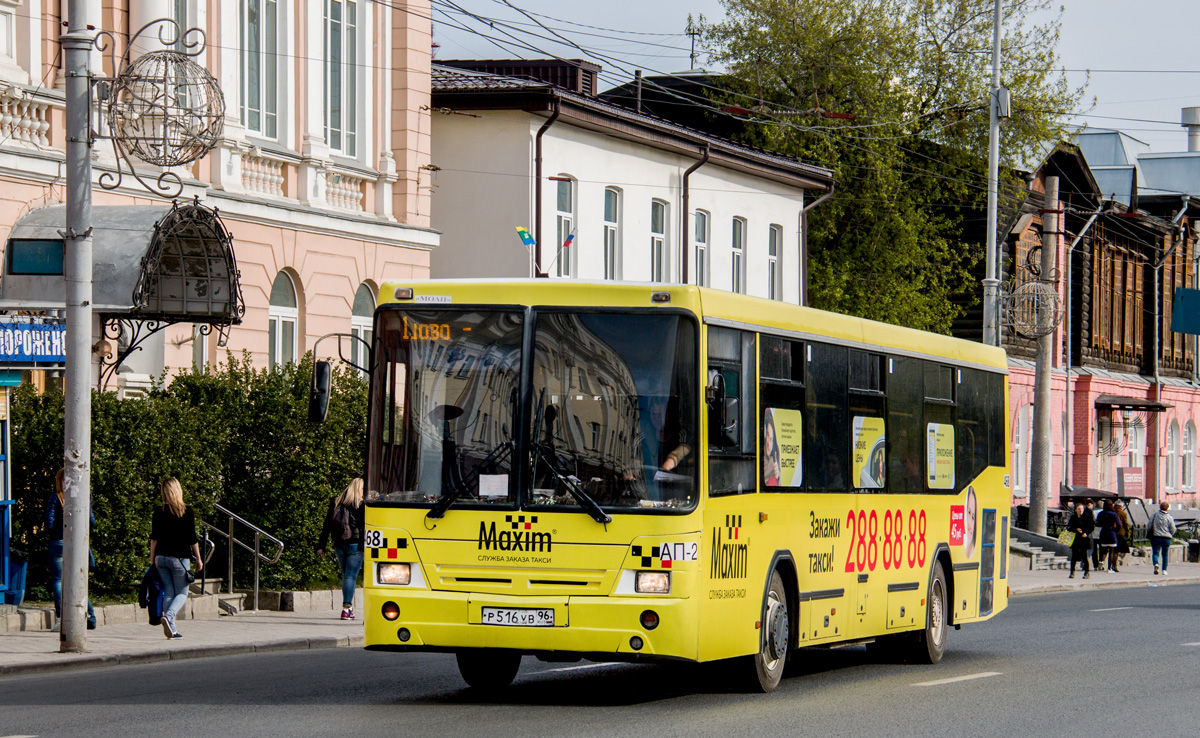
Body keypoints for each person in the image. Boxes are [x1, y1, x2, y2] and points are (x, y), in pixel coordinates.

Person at [150, 477, 202, 639]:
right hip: (179, 558)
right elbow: (192, 538)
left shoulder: (159, 511)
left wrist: (152, 560)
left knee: (169, 592)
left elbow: (154, 539)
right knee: (182, 593)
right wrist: (199, 558)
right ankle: (169, 616)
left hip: (161, 558)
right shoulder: (186, 511)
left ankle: (171, 629)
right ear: (178, 490)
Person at [45, 469, 96, 631]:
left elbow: (49, 523)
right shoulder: (83, 497)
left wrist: (58, 531)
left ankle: (61, 618)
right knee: (77, 579)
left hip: (58, 542)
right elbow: (92, 522)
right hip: (77, 543)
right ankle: (90, 616)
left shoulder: (56, 498)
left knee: (59, 581)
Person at [318, 478, 366, 620]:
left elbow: (326, 526)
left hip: (339, 544)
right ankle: (347, 608)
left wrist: (321, 545)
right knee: (350, 576)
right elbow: (365, 526)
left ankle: (348, 608)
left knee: (346, 576)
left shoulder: (336, 502)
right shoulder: (361, 504)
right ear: (359, 489)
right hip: (355, 545)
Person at [1149, 501, 1177, 576]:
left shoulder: (1154, 515)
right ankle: (1164, 570)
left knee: (1155, 552)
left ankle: (1156, 564)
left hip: (1156, 537)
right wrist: (1170, 533)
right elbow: (1173, 528)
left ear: (1160, 507)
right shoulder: (1169, 517)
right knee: (1165, 554)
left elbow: (1149, 525)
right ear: (1167, 508)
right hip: (1166, 538)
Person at [1066, 502, 1093, 579]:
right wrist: (1076, 529)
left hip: (1084, 538)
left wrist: (1086, 533)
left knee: (1084, 556)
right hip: (1076, 538)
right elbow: (1069, 527)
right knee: (1074, 556)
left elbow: (1091, 527)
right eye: (1079, 509)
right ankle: (1072, 572)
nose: (1080, 510)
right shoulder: (1073, 518)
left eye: (1081, 509)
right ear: (1076, 510)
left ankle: (1087, 572)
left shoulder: (1087, 517)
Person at [1095, 501, 1119, 573]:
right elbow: (1119, 524)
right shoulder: (1114, 514)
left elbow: (1097, 523)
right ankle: (1109, 568)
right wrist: (1116, 530)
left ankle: (1101, 562)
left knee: (1103, 550)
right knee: (1111, 551)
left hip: (1103, 532)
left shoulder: (1101, 513)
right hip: (1111, 532)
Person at [763, 410, 781, 487]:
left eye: (771, 439)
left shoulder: (775, 458)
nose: (768, 443)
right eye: (767, 435)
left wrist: (778, 476)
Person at [1114, 501, 1132, 568]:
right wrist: (1127, 532)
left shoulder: (1112, 511)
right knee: (1125, 548)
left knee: (1113, 549)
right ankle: (1120, 559)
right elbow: (1126, 524)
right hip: (1120, 533)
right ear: (1121, 506)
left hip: (1112, 532)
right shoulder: (1123, 513)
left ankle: (1105, 562)